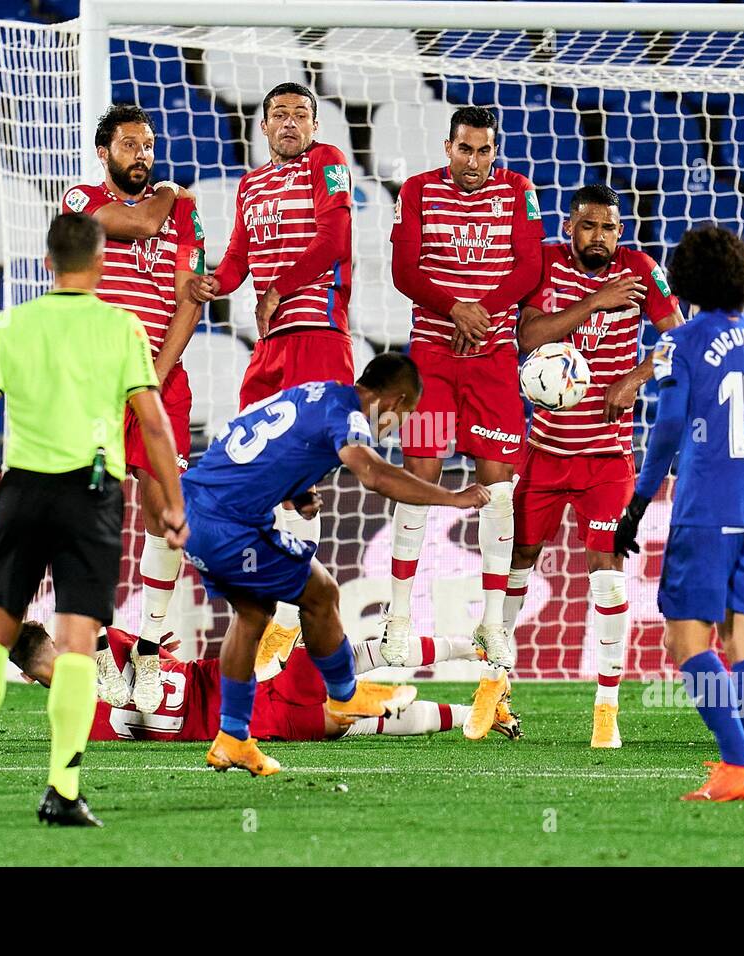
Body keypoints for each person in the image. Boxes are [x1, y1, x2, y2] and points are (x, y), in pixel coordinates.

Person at [0, 214, 186, 827]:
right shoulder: (123, 328)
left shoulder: (11, 324)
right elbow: (154, 424)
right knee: (76, 644)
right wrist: (172, 504)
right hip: (89, 494)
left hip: (22, 491)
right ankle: (62, 788)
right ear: (100, 266)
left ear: (46, 264)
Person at [180, 353, 490, 776]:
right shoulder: (349, 414)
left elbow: (265, 448)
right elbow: (375, 475)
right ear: (396, 401)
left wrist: (296, 492)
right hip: (227, 523)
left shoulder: (317, 394)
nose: (397, 426)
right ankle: (345, 693)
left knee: (253, 614)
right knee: (320, 592)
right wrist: (453, 498)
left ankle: (232, 738)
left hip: (194, 511)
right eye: (405, 415)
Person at [612, 224, 744, 802]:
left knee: (687, 643)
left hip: (705, 512)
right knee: (742, 641)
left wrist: (639, 503)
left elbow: (669, 427)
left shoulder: (678, 342)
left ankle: (738, 762)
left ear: (686, 278)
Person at [384, 106, 544, 736]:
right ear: (448, 146)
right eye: (466, 150)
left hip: (495, 362)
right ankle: (399, 615)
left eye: (484, 151)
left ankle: (494, 624)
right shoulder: (418, 190)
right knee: (418, 478)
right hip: (431, 359)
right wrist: (456, 308)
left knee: (498, 489)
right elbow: (404, 270)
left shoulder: (520, 190)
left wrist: (482, 312)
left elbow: (528, 269)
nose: (475, 161)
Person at [186, 82, 357, 666]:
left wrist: (281, 287)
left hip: (316, 330)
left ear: (314, 123)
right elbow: (238, 259)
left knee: (304, 470)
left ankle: (301, 618)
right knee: (257, 466)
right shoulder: (251, 185)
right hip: (270, 344)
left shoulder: (329, 163)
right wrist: (212, 282)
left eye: (300, 115)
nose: (289, 123)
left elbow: (334, 240)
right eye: (278, 115)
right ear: (262, 127)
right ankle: (279, 616)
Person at [511, 184, 685, 748]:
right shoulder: (543, 264)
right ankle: (497, 686)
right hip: (545, 452)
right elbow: (527, 336)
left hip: (608, 459)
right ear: (570, 228)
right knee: (516, 564)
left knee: (607, 572)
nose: (601, 237)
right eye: (589, 226)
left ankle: (606, 708)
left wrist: (636, 377)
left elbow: (682, 340)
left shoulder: (641, 271)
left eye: (610, 228)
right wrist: (595, 302)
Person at [62, 104, 206, 715]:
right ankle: (96, 648)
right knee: (86, 514)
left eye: (147, 143)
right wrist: (170, 196)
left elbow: (188, 300)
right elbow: (143, 225)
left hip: (159, 379)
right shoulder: (80, 200)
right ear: (104, 153)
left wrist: (159, 373)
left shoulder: (185, 211)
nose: (141, 153)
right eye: (127, 145)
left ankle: (147, 654)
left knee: (164, 511)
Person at [9, 623, 521, 745]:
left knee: (346, 721)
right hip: (230, 678)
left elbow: (139, 722)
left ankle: (473, 706)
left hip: (236, 718)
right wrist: (159, 654)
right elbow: (151, 660)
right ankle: (473, 652)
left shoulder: (73, 724)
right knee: (347, 660)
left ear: (31, 678)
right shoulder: (108, 642)